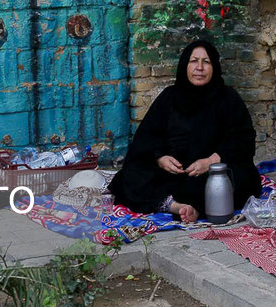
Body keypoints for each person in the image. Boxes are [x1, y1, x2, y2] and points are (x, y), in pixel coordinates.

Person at [108, 40, 261, 222]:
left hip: (209, 172)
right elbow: (147, 137)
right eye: (194, 61)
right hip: (174, 173)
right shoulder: (169, 97)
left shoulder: (228, 99)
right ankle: (176, 206)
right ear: (184, 66)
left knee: (236, 180)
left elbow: (243, 139)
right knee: (131, 174)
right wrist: (160, 158)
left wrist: (211, 161)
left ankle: (187, 206)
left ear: (214, 67)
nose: (199, 67)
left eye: (206, 62)